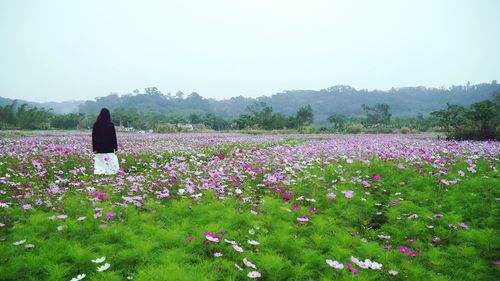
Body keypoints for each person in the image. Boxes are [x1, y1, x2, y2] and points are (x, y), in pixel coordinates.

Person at [92, 108, 119, 175]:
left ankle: (100, 172)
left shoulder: (96, 125)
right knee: (109, 161)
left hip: (99, 147)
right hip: (109, 147)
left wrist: (94, 148)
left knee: (100, 162)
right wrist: (115, 148)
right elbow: (114, 137)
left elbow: (94, 137)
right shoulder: (111, 125)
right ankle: (110, 172)